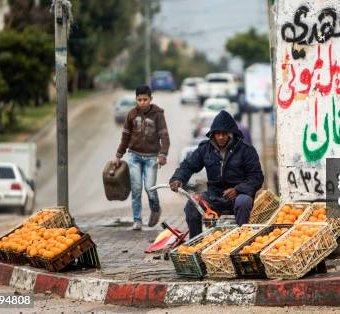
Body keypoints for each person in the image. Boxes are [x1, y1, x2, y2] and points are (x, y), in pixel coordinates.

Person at [169, 110, 263, 238]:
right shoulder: (205, 149)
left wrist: (237, 189)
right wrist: (178, 178)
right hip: (214, 196)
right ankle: (196, 243)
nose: (221, 137)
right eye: (217, 134)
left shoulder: (246, 150)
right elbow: (188, 166)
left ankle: (241, 243)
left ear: (232, 134)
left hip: (239, 196)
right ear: (212, 134)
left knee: (243, 202)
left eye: (224, 134)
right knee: (191, 206)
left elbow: (257, 177)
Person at [113, 85, 169, 230]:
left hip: (152, 158)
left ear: (151, 99)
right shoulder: (131, 114)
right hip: (134, 156)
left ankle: (155, 209)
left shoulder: (158, 114)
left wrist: (163, 154)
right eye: (140, 99)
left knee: (150, 188)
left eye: (145, 99)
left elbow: (164, 136)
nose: (142, 102)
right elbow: (125, 136)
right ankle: (137, 220)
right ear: (136, 99)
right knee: (136, 189)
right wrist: (118, 155)